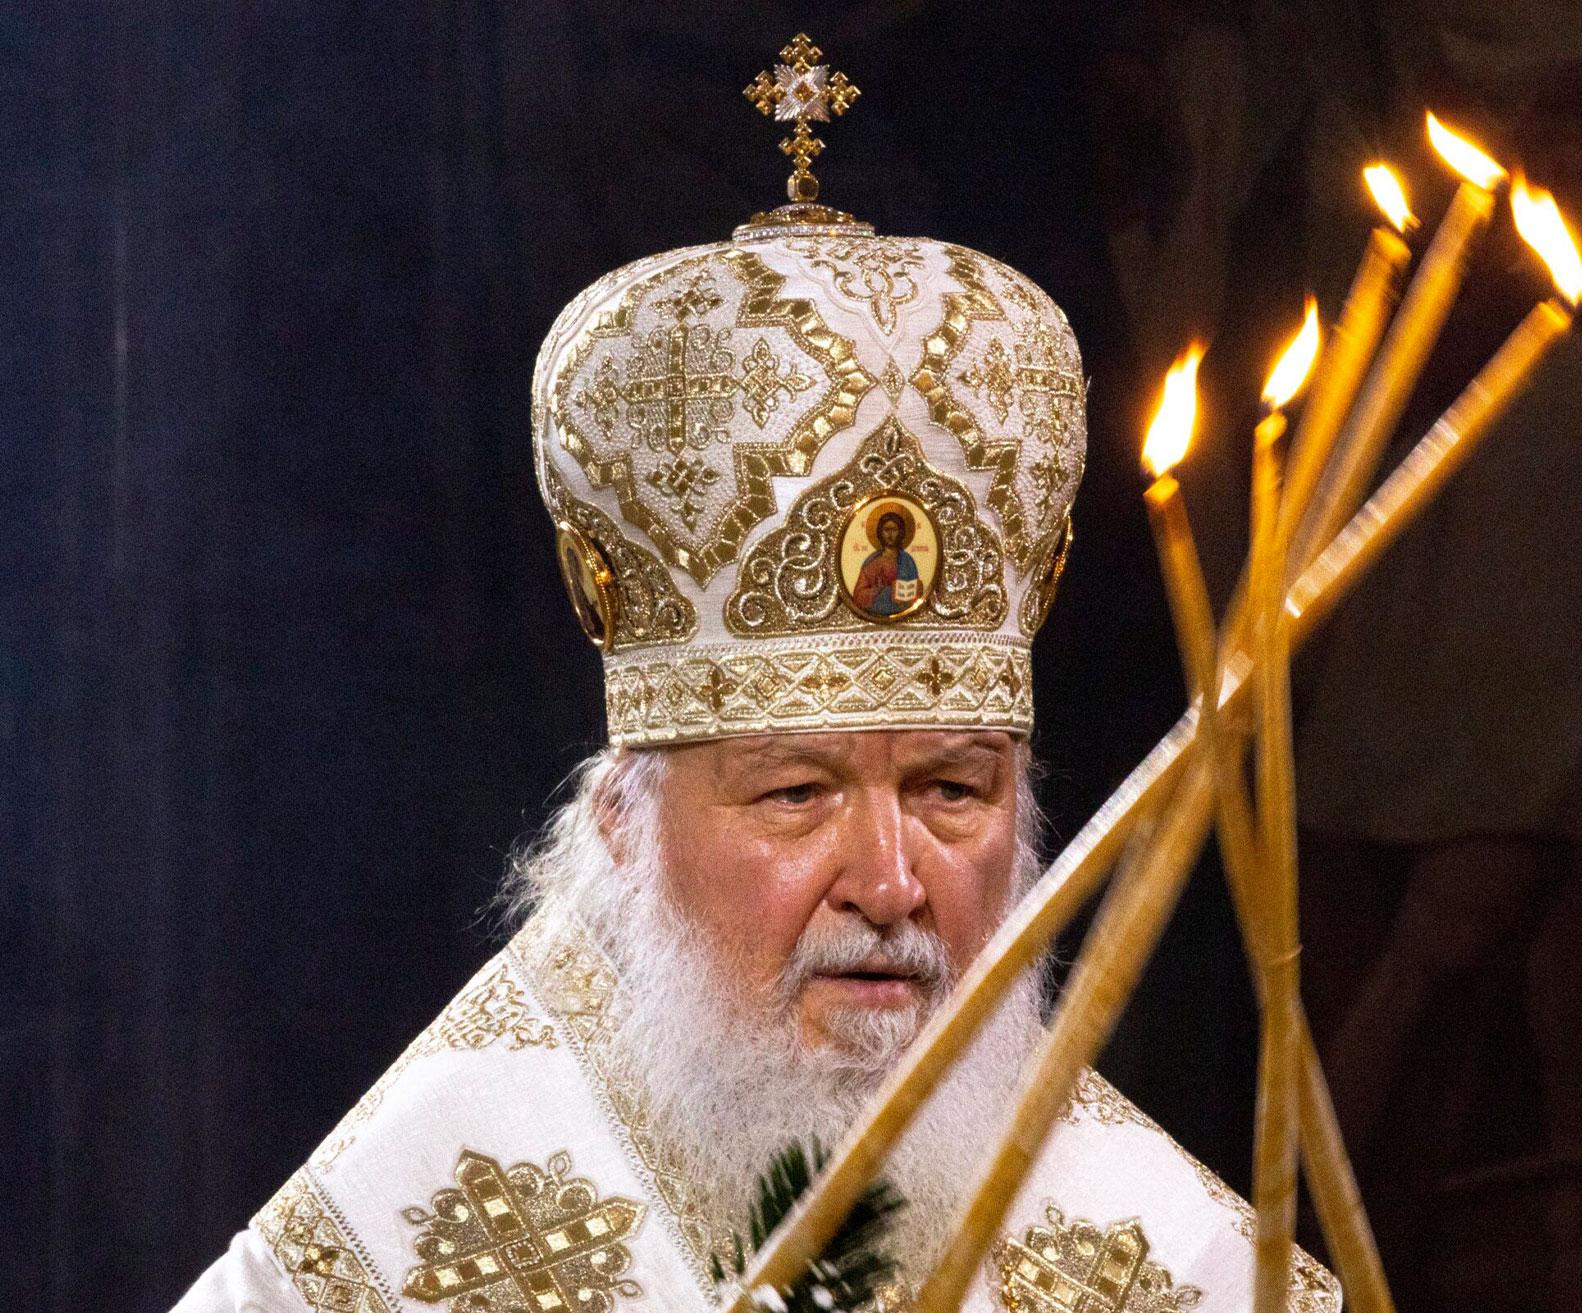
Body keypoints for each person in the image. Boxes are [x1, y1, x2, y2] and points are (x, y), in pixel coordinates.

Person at [170, 43, 1337, 1313]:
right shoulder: (386, 1253)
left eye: (954, 788)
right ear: (622, 822)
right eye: (797, 792)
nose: (892, 884)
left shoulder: (1180, 1267)